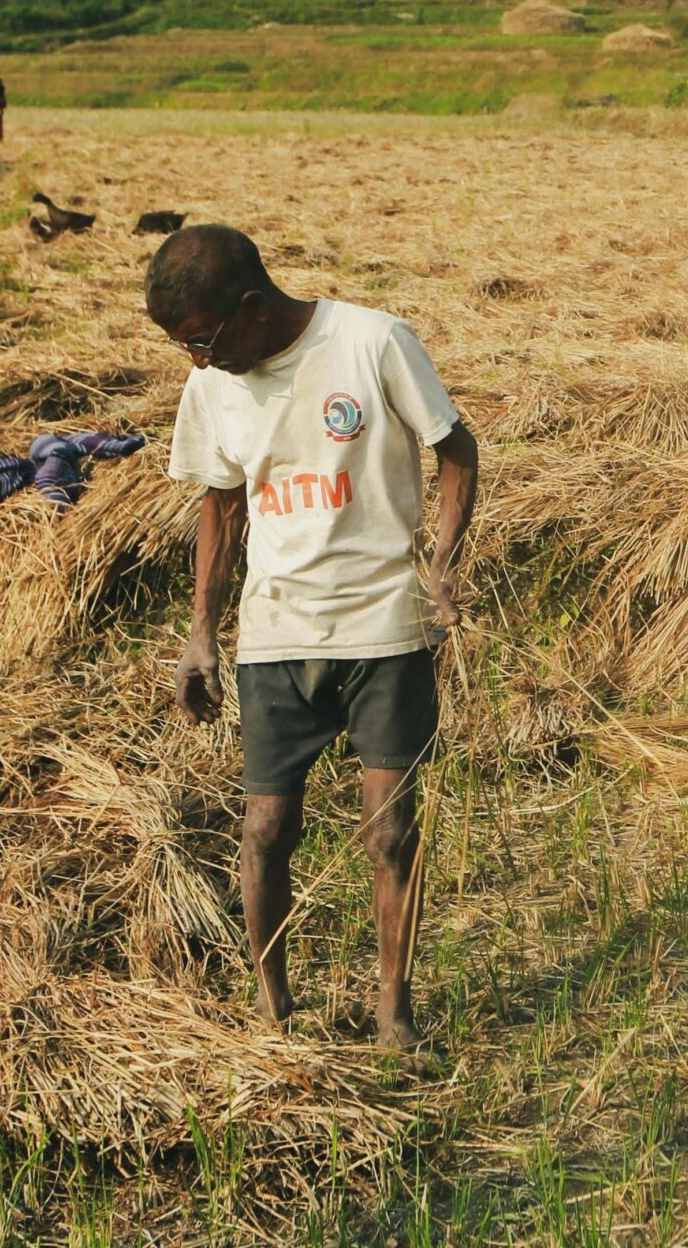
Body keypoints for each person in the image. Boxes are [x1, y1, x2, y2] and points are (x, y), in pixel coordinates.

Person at [150, 226, 480, 1049]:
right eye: (185, 347)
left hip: (384, 626)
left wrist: (443, 561)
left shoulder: (372, 342)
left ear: (252, 308)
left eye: (203, 341)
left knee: (390, 830)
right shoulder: (212, 386)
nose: (197, 361)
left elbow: (455, 448)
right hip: (276, 631)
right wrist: (201, 633)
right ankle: (273, 1010)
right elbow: (222, 506)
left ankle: (394, 1013)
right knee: (265, 828)